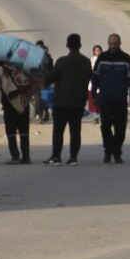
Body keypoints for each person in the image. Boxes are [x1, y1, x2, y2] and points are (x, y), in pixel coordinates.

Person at [43, 33, 92, 165]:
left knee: (58, 130)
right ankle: (73, 157)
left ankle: (56, 156)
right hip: (78, 102)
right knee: (75, 130)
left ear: (67, 45)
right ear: (80, 45)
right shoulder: (86, 61)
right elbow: (89, 78)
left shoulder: (62, 61)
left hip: (61, 101)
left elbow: (49, 78)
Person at [92, 33, 130, 163]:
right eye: (111, 44)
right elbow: (95, 77)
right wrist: (94, 94)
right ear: (108, 44)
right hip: (105, 98)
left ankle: (117, 152)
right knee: (105, 126)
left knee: (121, 127)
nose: (113, 46)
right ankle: (108, 151)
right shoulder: (102, 58)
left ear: (119, 44)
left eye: (115, 44)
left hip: (120, 98)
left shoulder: (126, 58)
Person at [0, 60, 34, 164]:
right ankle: (26, 157)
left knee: (11, 132)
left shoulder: (2, 69)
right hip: (23, 104)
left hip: (9, 104)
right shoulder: (23, 67)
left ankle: (15, 157)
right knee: (24, 132)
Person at [35, 40, 54, 121]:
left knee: (44, 97)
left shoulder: (47, 56)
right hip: (35, 80)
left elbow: (50, 68)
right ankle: (40, 115)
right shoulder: (33, 56)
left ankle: (46, 113)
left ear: (43, 47)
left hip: (45, 80)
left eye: (40, 47)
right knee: (38, 99)